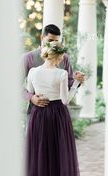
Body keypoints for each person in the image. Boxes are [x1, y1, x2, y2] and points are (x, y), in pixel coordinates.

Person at [26, 41, 80, 176]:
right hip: (58, 114)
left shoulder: (33, 72)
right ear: (59, 57)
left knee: (40, 148)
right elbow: (65, 100)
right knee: (58, 150)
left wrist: (37, 95)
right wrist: (76, 83)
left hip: (39, 112)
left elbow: (30, 91)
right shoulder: (61, 73)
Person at [23, 24, 85, 112]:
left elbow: (69, 82)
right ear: (42, 37)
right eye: (50, 40)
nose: (53, 44)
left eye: (56, 41)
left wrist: (78, 80)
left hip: (57, 111)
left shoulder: (64, 58)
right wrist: (31, 97)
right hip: (35, 111)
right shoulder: (28, 58)